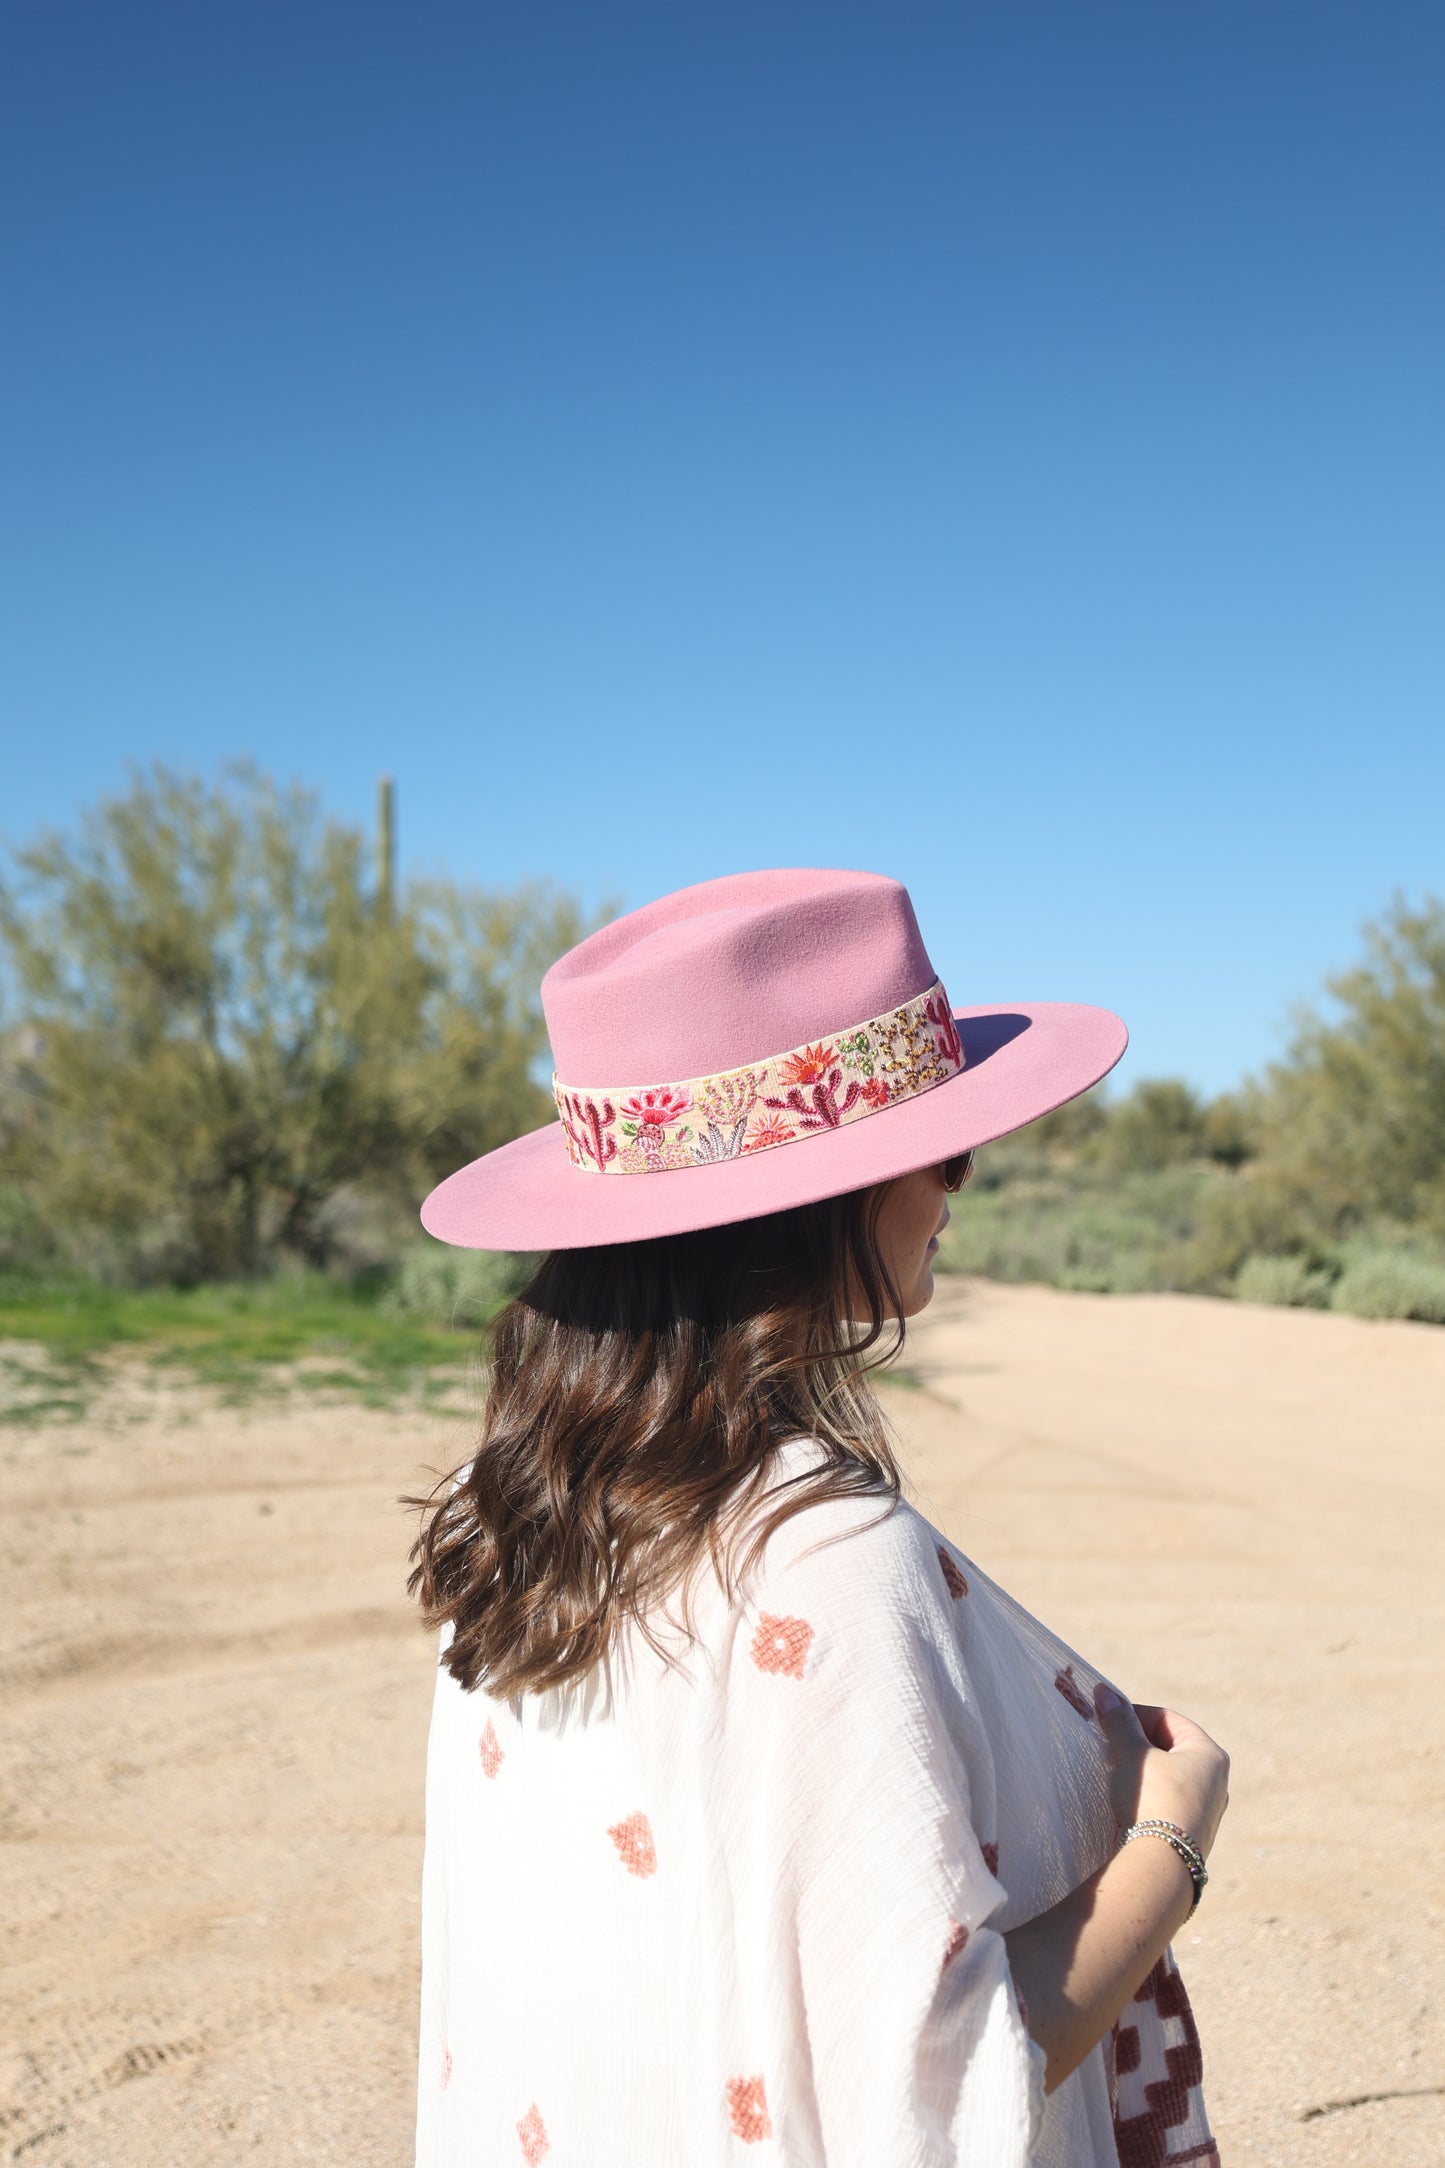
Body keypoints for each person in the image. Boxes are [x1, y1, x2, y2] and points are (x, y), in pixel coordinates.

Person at [408, 868, 1229, 2167]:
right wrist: (1173, 1834)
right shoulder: (829, 1563)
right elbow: (940, 2080)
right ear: (825, 1197)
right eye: (941, 1149)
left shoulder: (504, 1513)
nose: (957, 1189)